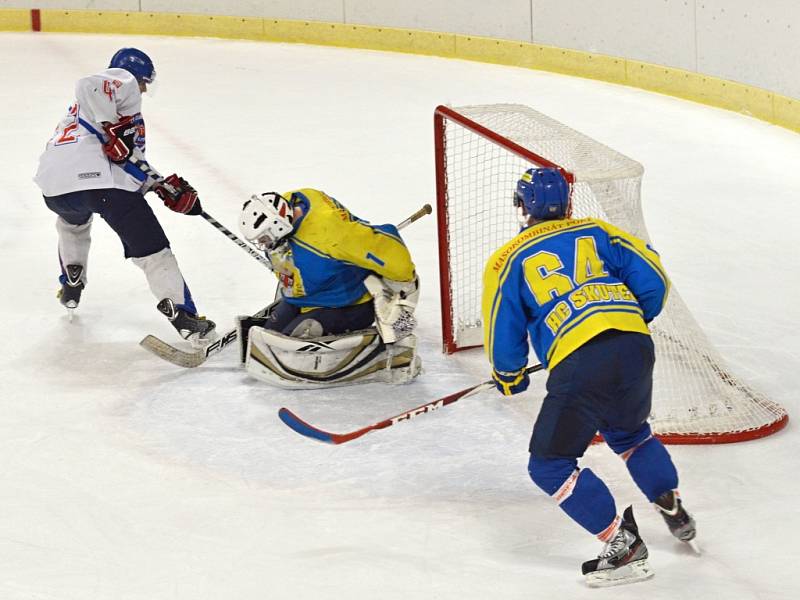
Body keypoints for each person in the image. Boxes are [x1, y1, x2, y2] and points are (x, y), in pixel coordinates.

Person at [481, 167, 696, 587]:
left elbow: (502, 330)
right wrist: (629, 319)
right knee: (630, 434)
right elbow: (653, 279)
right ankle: (669, 501)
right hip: (635, 345)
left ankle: (623, 546)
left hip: (581, 362)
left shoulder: (508, 259)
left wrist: (509, 376)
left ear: (523, 206)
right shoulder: (599, 231)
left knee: (549, 465)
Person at [33, 47, 216, 346]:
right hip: (102, 186)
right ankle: (183, 316)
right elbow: (89, 84)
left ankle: (71, 280)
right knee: (154, 252)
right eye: (144, 83)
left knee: (72, 224)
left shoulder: (80, 115)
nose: (143, 89)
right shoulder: (122, 82)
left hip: (54, 188)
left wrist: (161, 187)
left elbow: (128, 160)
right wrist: (110, 126)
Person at [236, 189, 421, 388]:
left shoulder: (329, 233)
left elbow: (387, 244)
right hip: (307, 297)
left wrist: (404, 288)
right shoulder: (291, 205)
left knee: (293, 347)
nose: (263, 245)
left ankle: (383, 358)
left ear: (277, 225)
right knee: (271, 340)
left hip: (348, 303)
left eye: (264, 238)